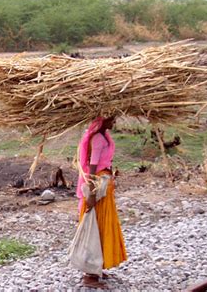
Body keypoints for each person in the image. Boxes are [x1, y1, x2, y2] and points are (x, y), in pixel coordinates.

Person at [76, 116, 127, 288]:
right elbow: (92, 166)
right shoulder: (97, 139)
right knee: (95, 226)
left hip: (104, 187)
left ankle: (96, 267)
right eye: (111, 120)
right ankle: (90, 275)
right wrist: (90, 193)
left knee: (102, 226)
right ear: (102, 121)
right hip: (97, 187)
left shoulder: (105, 135)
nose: (114, 123)